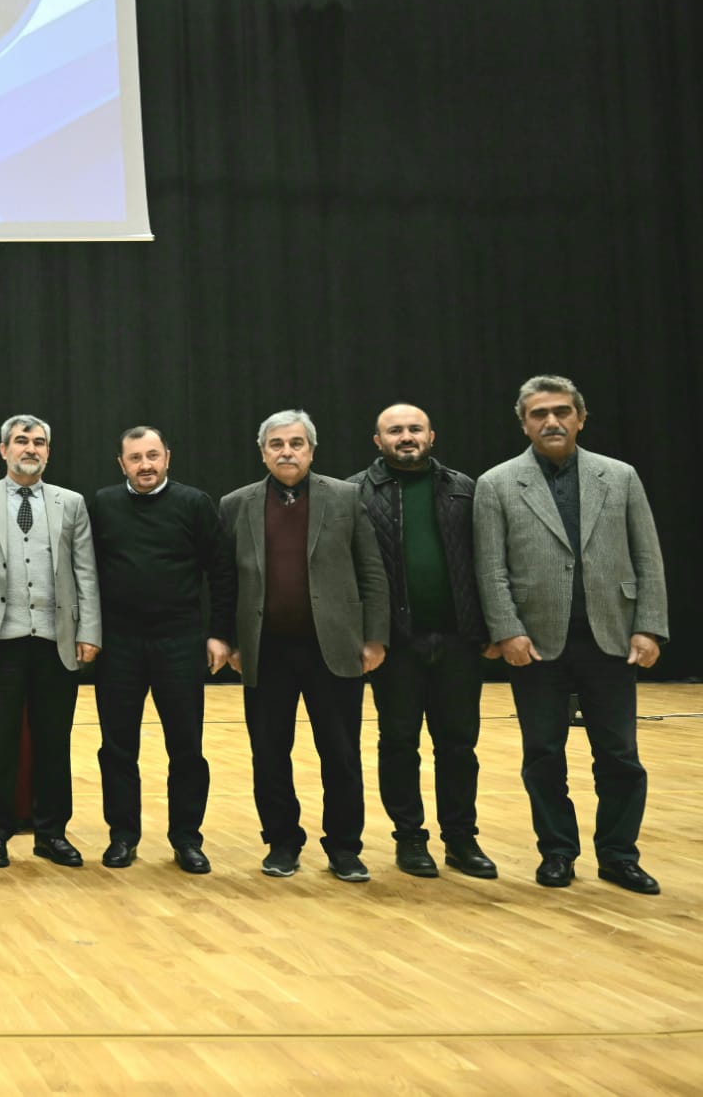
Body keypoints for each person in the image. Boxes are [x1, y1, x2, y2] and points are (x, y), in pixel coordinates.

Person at [474, 375, 668, 894]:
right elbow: (490, 567)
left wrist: (650, 626)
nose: (552, 421)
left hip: (612, 638)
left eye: (562, 411)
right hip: (536, 644)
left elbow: (647, 556)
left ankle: (619, 855)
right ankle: (557, 851)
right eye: (539, 414)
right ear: (524, 424)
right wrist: (508, 631)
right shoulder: (496, 483)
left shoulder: (620, 476)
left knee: (620, 756)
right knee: (542, 753)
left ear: (581, 418)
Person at [218, 409, 388, 883]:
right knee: (270, 753)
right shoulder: (236, 504)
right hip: (265, 649)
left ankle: (345, 848)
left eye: (296, 443)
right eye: (276, 444)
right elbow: (225, 580)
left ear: (312, 450)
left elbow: (371, 570)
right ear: (263, 453)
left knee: (341, 753)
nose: (287, 452)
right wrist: (230, 640)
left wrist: (374, 637)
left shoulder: (346, 497)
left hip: (333, 648)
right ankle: (282, 842)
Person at [348, 403, 495, 880]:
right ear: (378, 441)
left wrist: (491, 628)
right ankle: (409, 838)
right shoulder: (354, 492)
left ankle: (461, 838)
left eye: (415, 429)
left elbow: (487, 559)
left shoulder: (464, 488)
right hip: (395, 644)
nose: (406, 436)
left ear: (432, 436)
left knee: (458, 745)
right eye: (395, 430)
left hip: (458, 639)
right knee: (398, 743)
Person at [88, 426, 233, 875]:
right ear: (122, 464)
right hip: (119, 644)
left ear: (167, 457)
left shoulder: (194, 503)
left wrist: (220, 634)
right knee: (117, 748)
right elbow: (86, 571)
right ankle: (122, 836)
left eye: (152, 455)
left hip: (179, 641)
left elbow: (222, 571)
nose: (145, 465)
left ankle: (187, 839)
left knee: (187, 747)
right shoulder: (104, 504)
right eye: (135, 458)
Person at [0, 414, 99, 870]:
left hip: (56, 642)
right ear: (4, 450)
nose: (30, 448)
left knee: (53, 744)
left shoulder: (70, 502)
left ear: (48, 452)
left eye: (39, 442)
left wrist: (89, 630)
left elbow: (85, 570)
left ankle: (51, 833)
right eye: (21, 441)